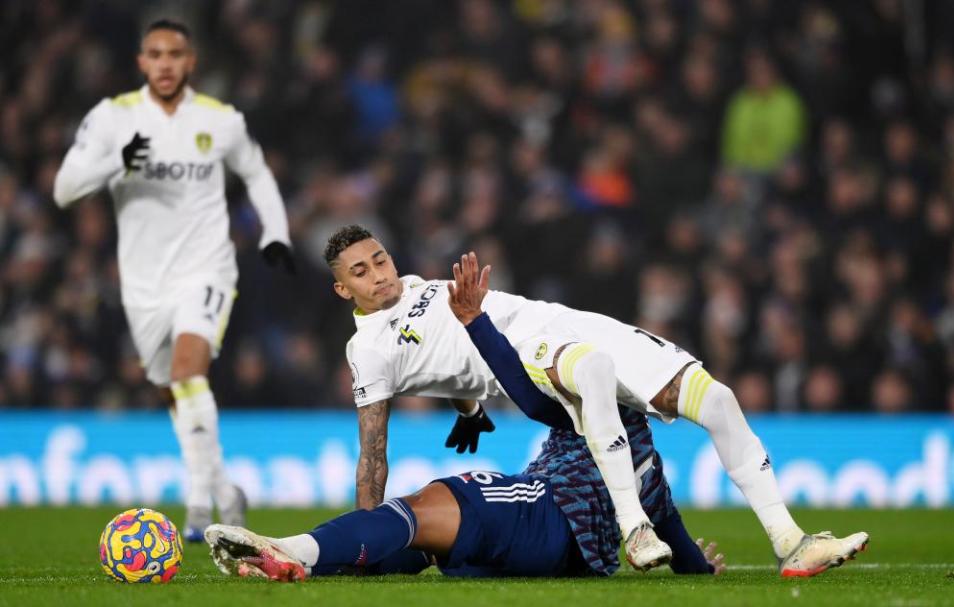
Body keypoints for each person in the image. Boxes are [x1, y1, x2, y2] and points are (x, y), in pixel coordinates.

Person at [326, 224, 867, 577]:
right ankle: (634, 527)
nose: (379, 274)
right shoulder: (367, 349)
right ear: (342, 291)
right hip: (530, 350)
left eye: (380, 259)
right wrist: (364, 536)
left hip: (571, 321)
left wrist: (468, 408)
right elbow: (372, 449)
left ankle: (791, 542)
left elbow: (447, 356)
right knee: (596, 372)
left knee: (719, 401)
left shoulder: (419, 286)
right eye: (361, 272)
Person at [52, 19, 295, 541]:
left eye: (175, 53)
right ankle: (227, 489)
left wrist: (275, 232)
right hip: (143, 284)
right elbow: (65, 190)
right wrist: (116, 164)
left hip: (206, 268)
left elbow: (255, 172)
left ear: (191, 62)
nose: (165, 62)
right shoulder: (114, 118)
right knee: (176, 393)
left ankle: (198, 507)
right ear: (142, 62)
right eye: (155, 53)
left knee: (189, 371)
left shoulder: (220, 120)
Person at [204, 406, 726, 580]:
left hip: (543, 510)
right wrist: (702, 567)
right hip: (555, 556)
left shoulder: (586, 408)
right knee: (426, 539)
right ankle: (308, 565)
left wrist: (476, 328)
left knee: (421, 508)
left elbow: (524, 386)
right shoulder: (652, 477)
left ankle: (293, 549)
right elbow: (681, 551)